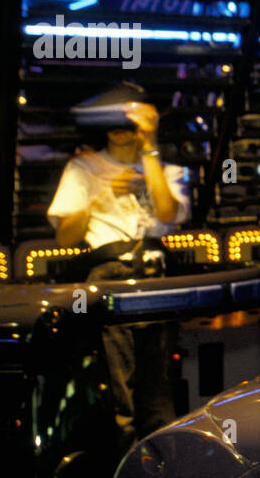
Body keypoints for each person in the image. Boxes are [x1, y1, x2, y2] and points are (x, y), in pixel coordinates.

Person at [47, 83, 192, 449]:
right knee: (118, 381)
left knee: (158, 382)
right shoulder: (84, 167)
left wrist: (149, 148)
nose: (121, 126)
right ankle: (122, 458)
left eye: (129, 118)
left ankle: (159, 457)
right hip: (109, 272)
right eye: (113, 118)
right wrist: (100, 194)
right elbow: (65, 238)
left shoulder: (169, 169)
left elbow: (166, 214)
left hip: (154, 272)